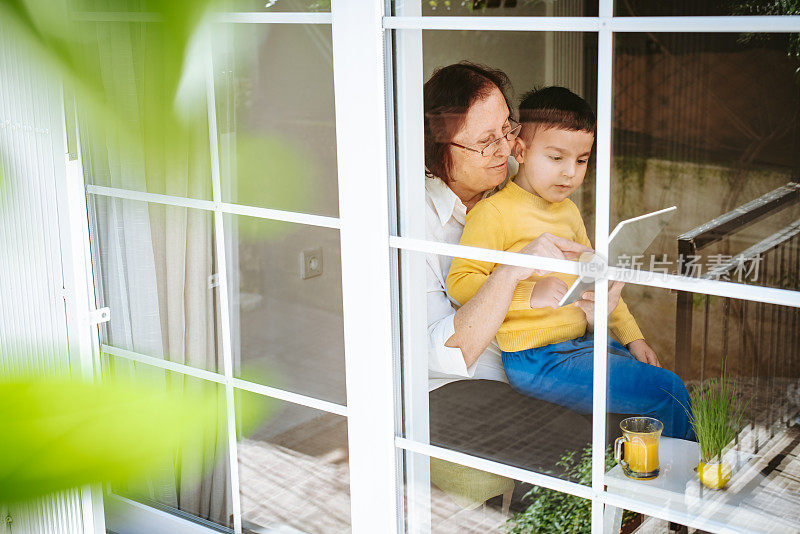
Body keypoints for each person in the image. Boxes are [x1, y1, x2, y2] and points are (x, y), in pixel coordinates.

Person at [447, 86, 694, 440]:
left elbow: (599, 281)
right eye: (556, 158)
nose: (570, 174)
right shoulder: (493, 212)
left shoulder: (568, 211)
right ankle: (685, 482)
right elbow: (460, 283)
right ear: (520, 149)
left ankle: (657, 472)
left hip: (577, 342)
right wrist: (529, 294)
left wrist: (632, 337)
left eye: (581, 161)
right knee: (667, 390)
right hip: (536, 359)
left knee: (654, 378)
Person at [423, 62, 604, 474]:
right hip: (456, 387)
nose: (507, 150)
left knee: (621, 420)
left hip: (534, 358)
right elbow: (438, 356)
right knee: (578, 445)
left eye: (507, 128)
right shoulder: (415, 224)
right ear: (440, 151)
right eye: (486, 143)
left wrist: (590, 300)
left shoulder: (514, 185)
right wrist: (509, 272)